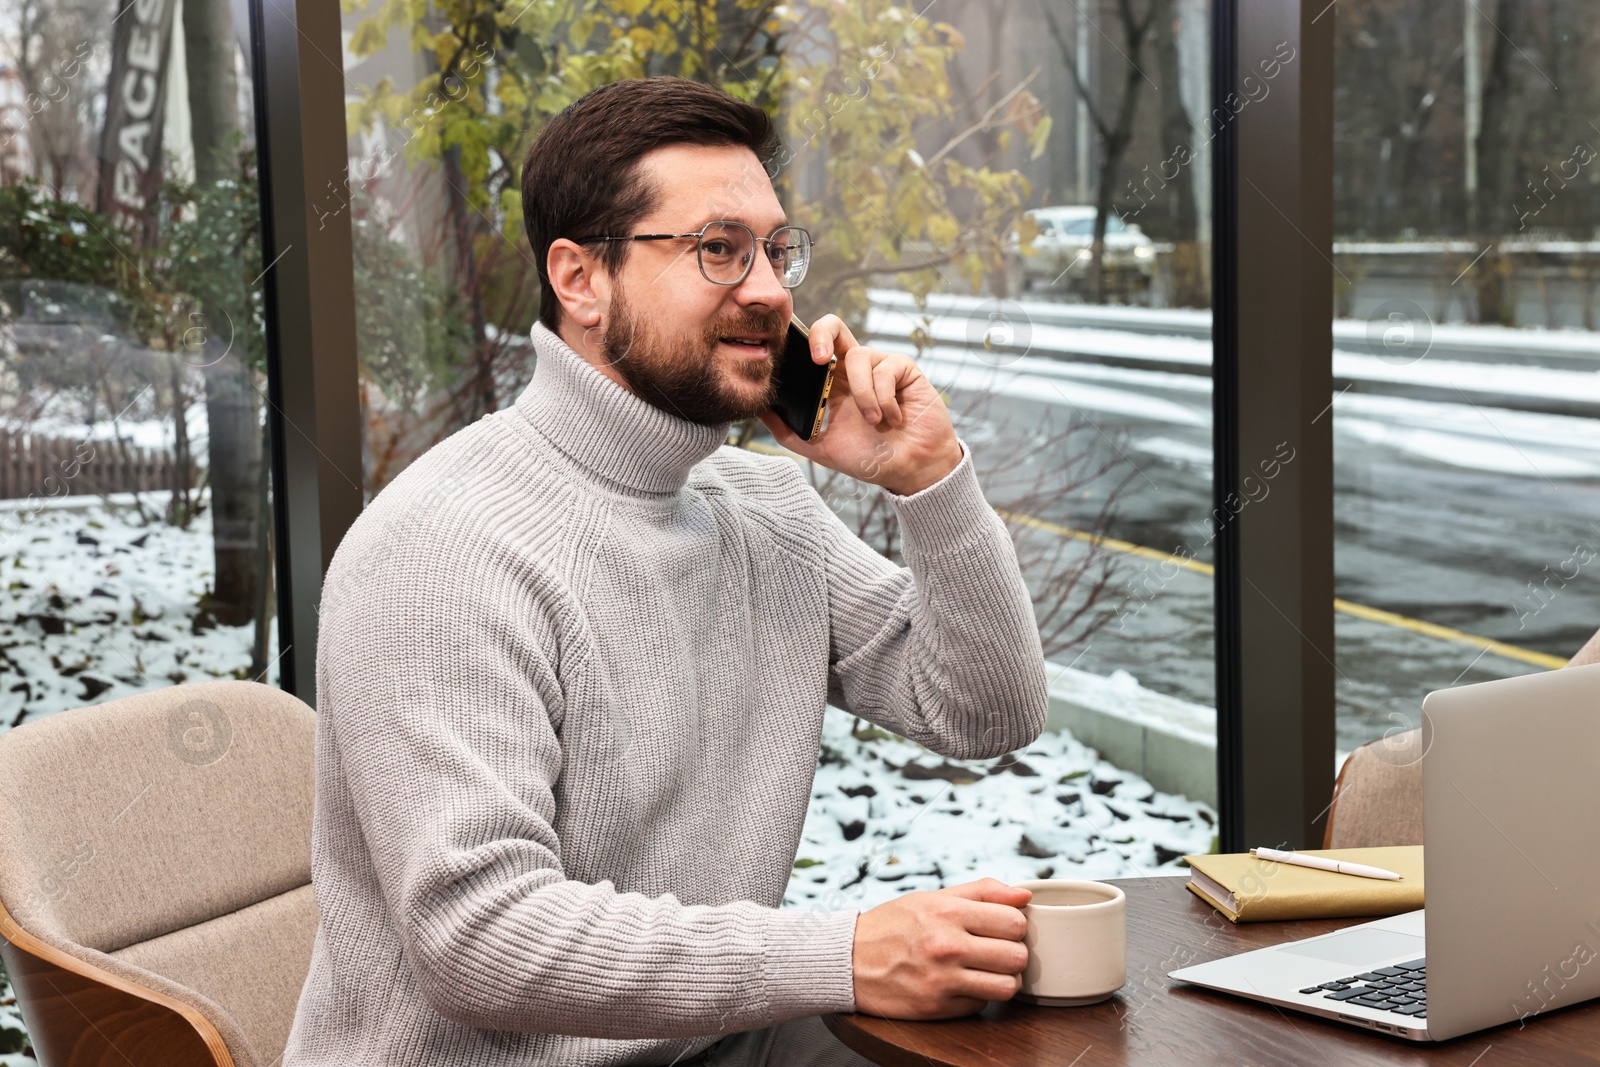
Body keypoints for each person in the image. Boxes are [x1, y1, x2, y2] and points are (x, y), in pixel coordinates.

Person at [283, 76, 1050, 1067]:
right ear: (580, 279)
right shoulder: (441, 545)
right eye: (717, 249)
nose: (772, 290)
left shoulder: (764, 509)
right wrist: (845, 951)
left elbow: (986, 712)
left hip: (708, 1043)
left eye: (776, 249)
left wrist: (928, 481)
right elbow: (479, 938)